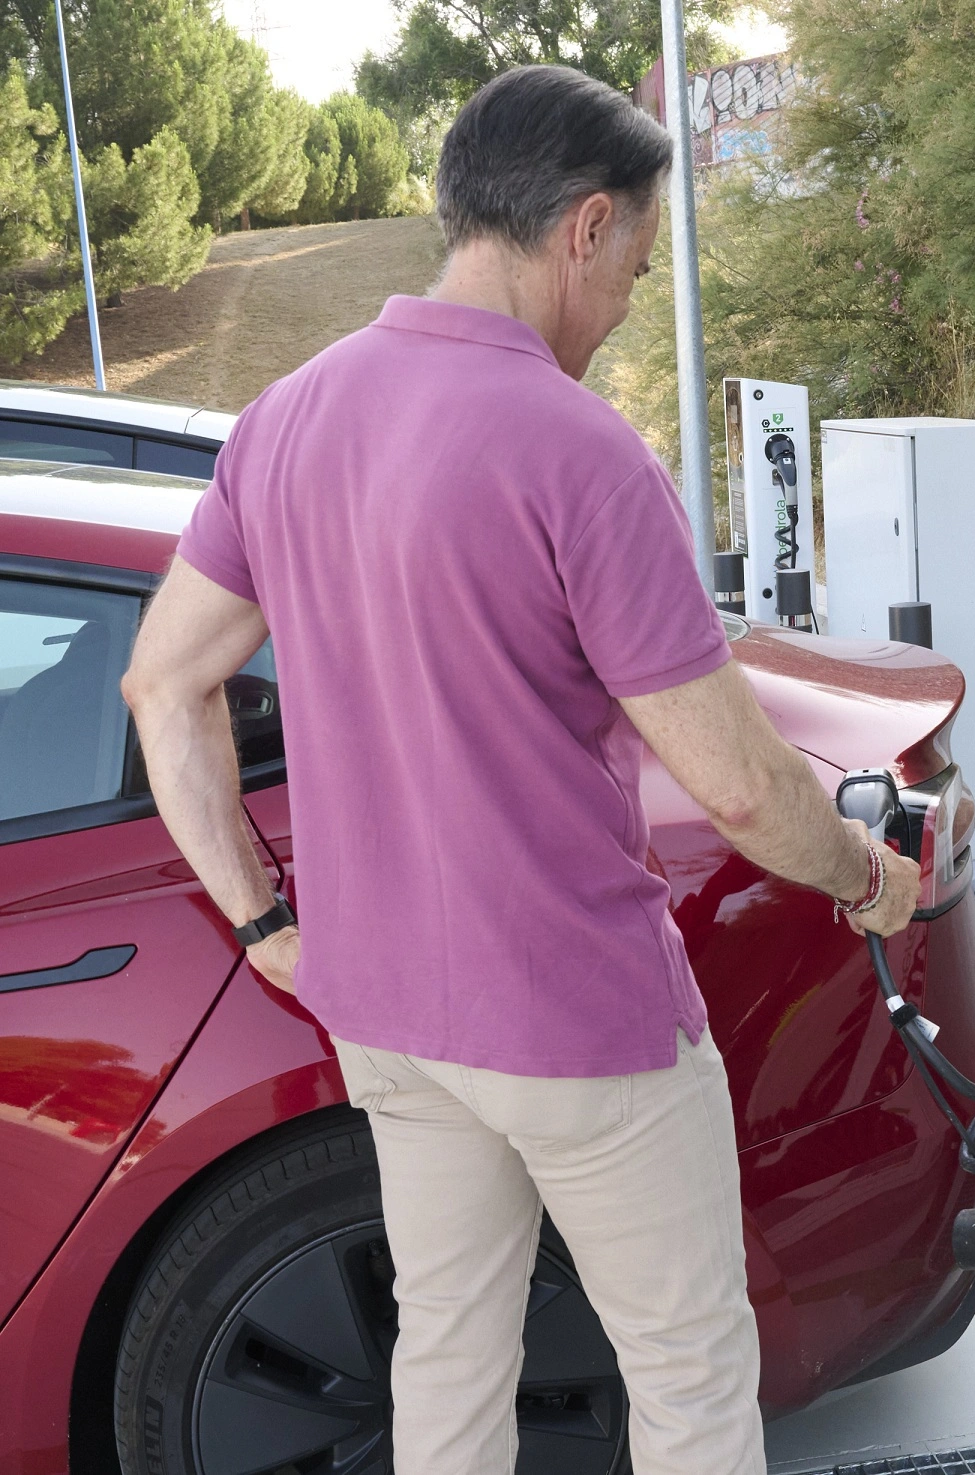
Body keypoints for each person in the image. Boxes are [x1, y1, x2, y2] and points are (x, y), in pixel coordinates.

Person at [119, 64, 918, 1475]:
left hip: (388, 1021)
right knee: (684, 1368)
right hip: (579, 1019)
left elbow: (161, 683)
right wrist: (866, 874)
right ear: (587, 229)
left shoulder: (286, 419)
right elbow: (734, 780)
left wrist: (266, 925)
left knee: (446, 1350)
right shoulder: (582, 450)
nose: (617, 312)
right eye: (630, 268)